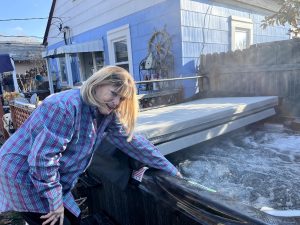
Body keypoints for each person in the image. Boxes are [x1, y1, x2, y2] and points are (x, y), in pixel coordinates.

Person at [0, 66, 182, 225]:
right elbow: (42, 160)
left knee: (75, 218)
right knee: (59, 220)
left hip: (47, 176)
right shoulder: (64, 107)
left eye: (122, 98)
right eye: (114, 93)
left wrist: (170, 169)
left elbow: (133, 143)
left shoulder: (106, 112)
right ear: (98, 83)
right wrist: (54, 202)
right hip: (22, 176)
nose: (116, 102)